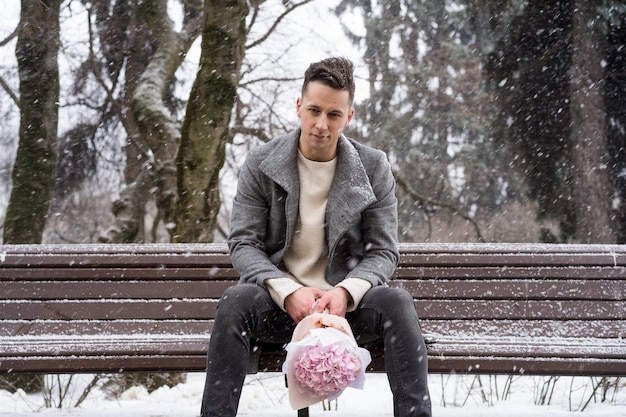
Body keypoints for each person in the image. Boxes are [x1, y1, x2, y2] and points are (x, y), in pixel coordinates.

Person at [200, 57, 432, 417]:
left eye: (334, 114)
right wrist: (288, 291)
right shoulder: (261, 163)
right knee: (235, 300)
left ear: (349, 116)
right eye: (314, 110)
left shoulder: (373, 167)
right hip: (277, 307)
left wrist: (345, 292)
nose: (322, 124)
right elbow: (244, 244)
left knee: (396, 303)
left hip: (347, 312)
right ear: (299, 106)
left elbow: (383, 251)